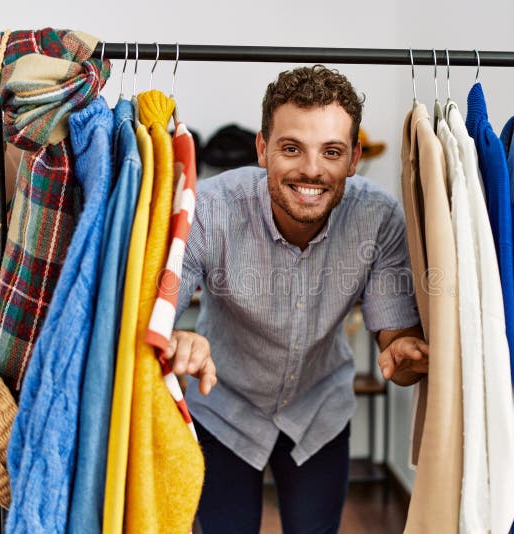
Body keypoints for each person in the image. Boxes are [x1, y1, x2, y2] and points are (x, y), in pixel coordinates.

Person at [165, 65, 428, 533]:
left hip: (318, 412)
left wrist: (405, 353)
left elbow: (396, 339)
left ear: (353, 158)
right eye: (291, 148)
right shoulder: (207, 208)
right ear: (263, 149)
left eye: (331, 152)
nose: (311, 169)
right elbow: (156, 314)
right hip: (223, 409)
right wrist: (176, 339)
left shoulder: (379, 218)